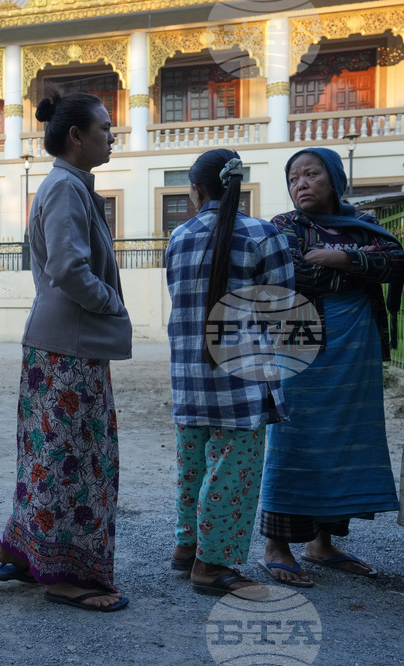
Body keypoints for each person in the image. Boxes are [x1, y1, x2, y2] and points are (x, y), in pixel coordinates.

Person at [0, 89, 131, 612]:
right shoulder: (66, 188)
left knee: (50, 456)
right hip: (69, 345)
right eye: (105, 128)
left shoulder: (64, 185)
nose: (112, 135)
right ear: (76, 135)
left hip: (61, 343)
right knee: (73, 461)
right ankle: (65, 574)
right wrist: (111, 300)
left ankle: (20, 550)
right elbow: (69, 269)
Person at [260, 147, 404, 585]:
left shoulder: (364, 225)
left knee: (345, 438)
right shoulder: (285, 226)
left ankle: (321, 543)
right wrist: (362, 268)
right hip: (301, 341)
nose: (300, 183)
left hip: (355, 349)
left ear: (336, 178)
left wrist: (341, 258)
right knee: (294, 435)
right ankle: (277, 546)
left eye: (311, 174)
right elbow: (295, 273)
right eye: (293, 177)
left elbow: (397, 260)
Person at [165, 149, 293, 598]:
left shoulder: (178, 237)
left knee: (193, 465)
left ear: (197, 190)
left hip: (189, 377)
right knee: (231, 473)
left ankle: (187, 549)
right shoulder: (263, 234)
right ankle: (213, 565)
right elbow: (281, 307)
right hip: (241, 378)